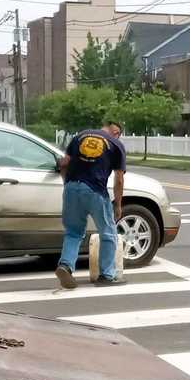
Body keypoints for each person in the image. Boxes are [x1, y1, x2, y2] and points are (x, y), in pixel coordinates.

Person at [55, 121, 127, 289]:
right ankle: (107, 275)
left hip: (72, 187)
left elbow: (64, 163)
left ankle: (65, 266)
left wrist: (68, 185)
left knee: (73, 232)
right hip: (95, 190)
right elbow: (119, 179)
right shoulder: (116, 144)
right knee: (108, 232)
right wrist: (118, 204)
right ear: (116, 132)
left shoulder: (80, 136)